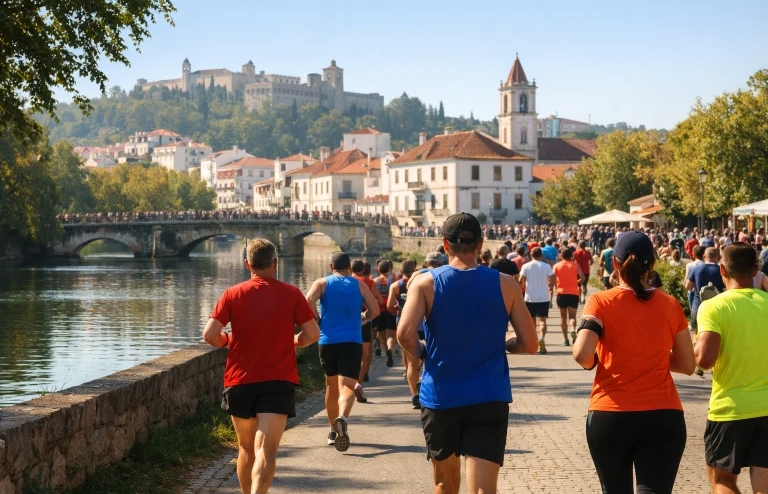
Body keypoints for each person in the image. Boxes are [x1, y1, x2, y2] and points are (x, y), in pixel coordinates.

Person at [397, 213, 538, 494]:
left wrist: (422, 352)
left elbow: (404, 334)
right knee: (484, 490)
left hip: (441, 396)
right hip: (488, 396)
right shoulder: (506, 284)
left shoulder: (425, 283)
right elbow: (530, 344)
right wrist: (505, 345)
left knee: (444, 484)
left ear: (445, 245)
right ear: (480, 244)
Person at [572, 231, 695, 494]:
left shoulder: (600, 302)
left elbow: (582, 354)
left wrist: (594, 360)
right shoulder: (671, 305)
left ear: (614, 263)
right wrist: (654, 355)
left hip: (611, 414)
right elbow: (688, 365)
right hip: (664, 414)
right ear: (652, 265)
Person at [202, 239, 320, 494]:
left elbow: (210, 335)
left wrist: (228, 340)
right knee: (266, 450)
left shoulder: (232, 294)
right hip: (278, 381)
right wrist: (295, 342)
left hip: (239, 381)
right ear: (275, 264)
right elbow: (312, 334)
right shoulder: (291, 293)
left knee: (246, 448)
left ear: (248, 265)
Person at [694, 243, 768, 494]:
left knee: (723, 481)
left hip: (730, 409)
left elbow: (704, 359)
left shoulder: (713, 307)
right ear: (756, 269)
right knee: (763, 482)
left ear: (722, 270)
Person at [305, 252, 380, 452]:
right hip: (352, 341)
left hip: (327, 340)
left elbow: (308, 301)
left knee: (331, 386)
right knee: (348, 385)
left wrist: (317, 320)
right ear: (349, 268)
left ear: (331, 267)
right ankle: (343, 418)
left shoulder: (322, 283)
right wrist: (363, 317)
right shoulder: (359, 285)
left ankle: (332, 431)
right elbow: (376, 311)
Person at [387, 258, 421, 409]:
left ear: (400, 271)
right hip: (422, 323)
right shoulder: (420, 282)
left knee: (410, 361)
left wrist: (397, 308)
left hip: (404, 323)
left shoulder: (395, 285)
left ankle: (415, 394)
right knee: (426, 360)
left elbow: (389, 306)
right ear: (414, 269)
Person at [351, 259, 383, 404]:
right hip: (364, 321)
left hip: (348, 323)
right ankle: (359, 383)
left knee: (350, 352)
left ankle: (347, 382)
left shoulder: (346, 281)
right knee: (366, 354)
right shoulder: (369, 283)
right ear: (363, 271)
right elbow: (379, 301)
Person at [519, 247, 555, 355]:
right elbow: (553, 277)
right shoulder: (546, 266)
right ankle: (542, 338)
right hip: (543, 297)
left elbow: (520, 280)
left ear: (531, 255)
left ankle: (533, 342)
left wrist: (524, 285)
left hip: (530, 297)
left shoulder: (526, 266)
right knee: (542, 320)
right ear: (541, 255)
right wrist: (550, 285)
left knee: (532, 321)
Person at [553, 248, 585, 347]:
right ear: (571, 255)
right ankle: (573, 329)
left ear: (561, 255)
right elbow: (583, 278)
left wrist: (556, 286)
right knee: (572, 316)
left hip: (561, 293)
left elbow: (553, 278)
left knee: (563, 317)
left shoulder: (557, 266)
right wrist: (576, 282)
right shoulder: (575, 265)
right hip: (573, 293)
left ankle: (565, 339)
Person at [373, 260, 397, 365]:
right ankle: (390, 348)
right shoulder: (394, 280)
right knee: (391, 335)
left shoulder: (375, 281)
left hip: (379, 311)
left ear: (378, 269)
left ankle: (385, 349)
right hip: (391, 310)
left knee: (381, 334)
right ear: (389, 269)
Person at [573, 240, 594, 305]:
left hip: (577, 271)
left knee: (578, 285)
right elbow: (592, 261)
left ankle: (578, 298)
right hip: (586, 271)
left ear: (579, 245)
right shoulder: (588, 253)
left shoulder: (575, 252)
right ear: (585, 245)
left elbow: (573, 261)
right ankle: (583, 298)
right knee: (584, 285)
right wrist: (589, 264)